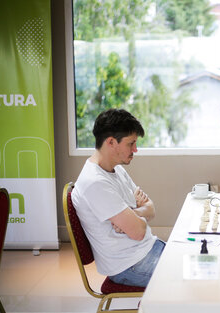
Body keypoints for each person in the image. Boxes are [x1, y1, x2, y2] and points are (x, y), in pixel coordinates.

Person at [72, 108, 165, 287]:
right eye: (131, 144)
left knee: (195, 263)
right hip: (129, 265)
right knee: (191, 279)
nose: (135, 150)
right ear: (111, 142)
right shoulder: (95, 182)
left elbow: (151, 209)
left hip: (146, 249)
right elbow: (138, 232)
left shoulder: (117, 170)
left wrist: (131, 214)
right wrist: (138, 217)